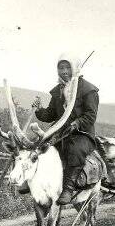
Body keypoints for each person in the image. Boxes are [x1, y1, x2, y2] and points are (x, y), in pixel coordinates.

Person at [34, 53, 100, 205]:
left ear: (75, 68)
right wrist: (39, 110)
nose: (64, 71)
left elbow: (90, 116)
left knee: (75, 151)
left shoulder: (88, 90)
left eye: (67, 67)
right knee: (40, 149)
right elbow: (51, 114)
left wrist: (76, 124)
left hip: (82, 134)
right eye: (60, 67)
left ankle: (68, 189)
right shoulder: (58, 90)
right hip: (60, 133)